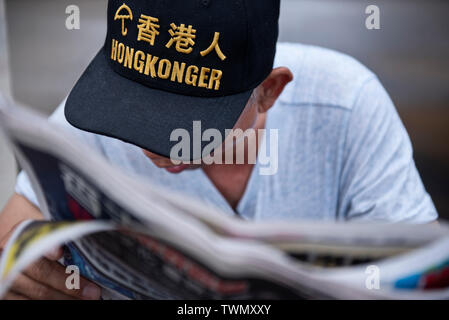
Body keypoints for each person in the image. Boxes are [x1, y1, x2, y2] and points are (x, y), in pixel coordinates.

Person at [0, 0, 437, 300]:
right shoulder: (92, 120)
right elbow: (15, 227)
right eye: (133, 110)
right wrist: (26, 271)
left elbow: (419, 275)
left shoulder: (346, 104)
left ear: (268, 91)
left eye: (191, 122)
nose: (159, 148)